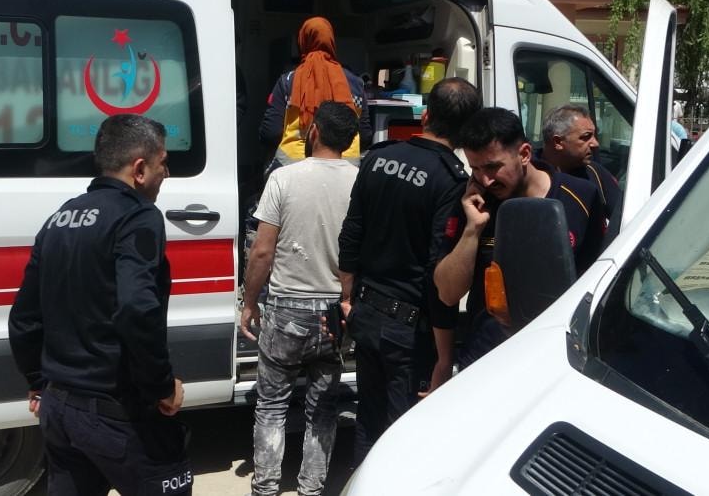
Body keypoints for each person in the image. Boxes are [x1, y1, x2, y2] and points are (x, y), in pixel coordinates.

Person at [8, 114, 190, 496]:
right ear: (139, 169)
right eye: (163, 163)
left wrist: (38, 382)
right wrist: (161, 386)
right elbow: (137, 308)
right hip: (117, 412)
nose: (167, 173)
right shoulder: (138, 216)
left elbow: (23, 318)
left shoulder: (59, 219)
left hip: (58, 410)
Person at [337, 77, 482, 466]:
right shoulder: (452, 181)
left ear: (426, 115)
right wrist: (444, 356)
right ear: (467, 130)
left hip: (366, 313)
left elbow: (351, 233)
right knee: (403, 435)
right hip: (410, 331)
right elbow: (439, 272)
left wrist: (347, 298)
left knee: (368, 421)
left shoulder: (378, 158)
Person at [239, 101, 360, 496]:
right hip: (335, 313)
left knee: (272, 405)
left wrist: (249, 302)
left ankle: (265, 488)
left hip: (287, 308)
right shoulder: (361, 181)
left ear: (314, 131)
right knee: (322, 409)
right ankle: (312, 489)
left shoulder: (284, 178)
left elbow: (262, 251)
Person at [434, 107, 606, 367]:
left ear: (524, 154)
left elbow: (598, 283)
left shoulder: (581, 196)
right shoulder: (471, 201)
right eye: (476, 169)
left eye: (493, 167)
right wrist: (473, 229)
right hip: (486, 357)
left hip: (555, 357)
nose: (485, 180)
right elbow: (447, 294)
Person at [259, 16, 372, 168]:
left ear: (302, 42)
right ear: (331, 42)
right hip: (346, 165)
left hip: (293, 165)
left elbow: (270, 133)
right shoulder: (356, 83)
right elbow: (365, 136)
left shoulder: (287, 82)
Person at [538, 104, 623, 241]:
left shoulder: (594, 172)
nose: (595, 144)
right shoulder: (531, 173)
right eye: (586, 137)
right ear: (558, 142)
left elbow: (624, 218)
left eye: (594, 135)